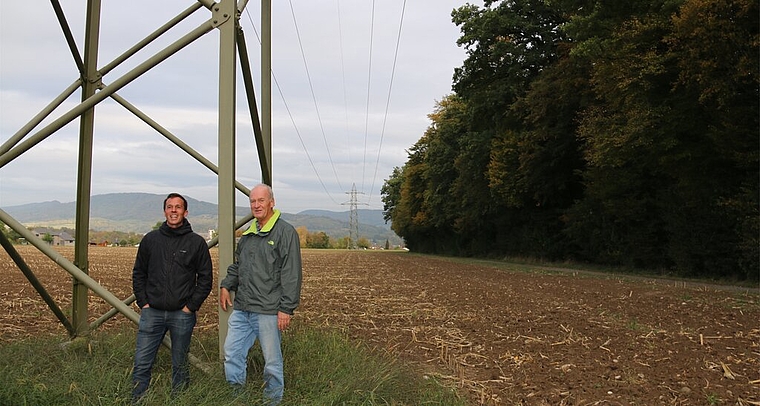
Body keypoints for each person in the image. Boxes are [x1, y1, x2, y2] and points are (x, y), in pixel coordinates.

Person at [220, 183, 303, 405]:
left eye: (261, 200)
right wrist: (226, 285)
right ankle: (236, 399)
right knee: (232, 354)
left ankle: (272, 401)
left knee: (272, 363)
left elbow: (291, 273)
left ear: (272, 202)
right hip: (243, 309)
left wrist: (286, 308)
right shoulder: (248, 234)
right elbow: (239, 266)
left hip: (268, 310)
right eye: (253, 201)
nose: (256, 205)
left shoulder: (285, 232)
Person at [131, 193, 213, 403]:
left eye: (178, 207)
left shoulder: (196, 243)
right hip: (153, 313)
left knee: (180, 364)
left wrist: (190, 307)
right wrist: (144, 303)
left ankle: (179, 400)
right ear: (164, 211)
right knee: (142, 362)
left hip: (182, 315)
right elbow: (139, 273)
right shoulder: (151, 240)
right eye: (170, 207)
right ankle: (138, 399)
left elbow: (205, 279)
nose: (174, 210)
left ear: (185, 212)